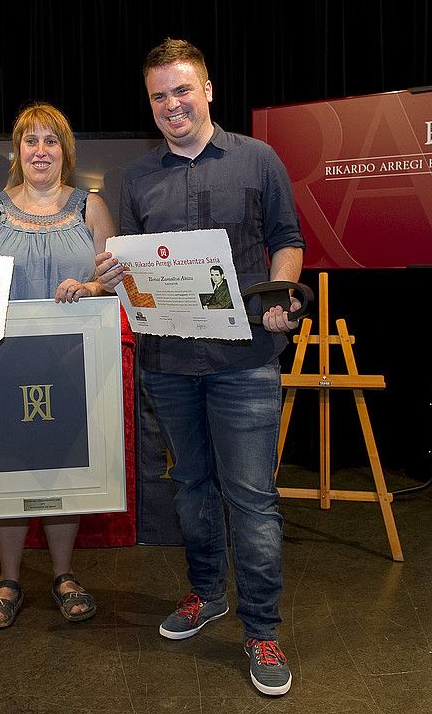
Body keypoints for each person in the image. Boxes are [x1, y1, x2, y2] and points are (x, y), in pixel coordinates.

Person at [94, 38, 305, 696]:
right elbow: (129, 267)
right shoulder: (138, 178)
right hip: (168, 362)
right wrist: (111, 274)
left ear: (207, 90)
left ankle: (261, 628)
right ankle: (206, 592)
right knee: (190, 489)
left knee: (251, 500)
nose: (170, 104)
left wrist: (279, 300)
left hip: (244, 358)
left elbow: (287, 242)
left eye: (181, 90)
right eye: (158, 96)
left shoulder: (258, 159)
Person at [0, 102, 115, 628]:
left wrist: (89, 286)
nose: (40, 151)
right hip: (3, 364)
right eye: (31, 141)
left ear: (64, 152)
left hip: (75, 365)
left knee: (66, 465)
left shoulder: (91, 207)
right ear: (17, 152)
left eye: (51, 141)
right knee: (10, 470)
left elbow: (115, 279)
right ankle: (9, 578)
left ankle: (65, 575)